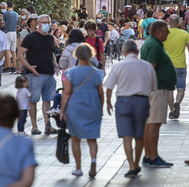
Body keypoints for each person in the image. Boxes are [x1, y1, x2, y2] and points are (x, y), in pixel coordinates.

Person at [105, 40, 157, 178]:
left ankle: (131, 166)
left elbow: (109, 86)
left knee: (126, 136)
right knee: (139, 135)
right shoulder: (147, 66)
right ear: (137, 51)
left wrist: (108, 102)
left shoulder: (118, 66)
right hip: (142, 101)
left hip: (123, 101)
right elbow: (153, 87)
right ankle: (136, 163)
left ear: (123, 51)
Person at [60, 43, 104, 177]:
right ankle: (94, 160)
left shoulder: (70, 73)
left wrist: (62, 111)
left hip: (76, 107)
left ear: (76, 55)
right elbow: (100, 93)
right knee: (92, 138)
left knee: (75, 138)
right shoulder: (97, 73)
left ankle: (78, 168)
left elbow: (66, 93)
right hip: (93, 106)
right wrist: (101, 107)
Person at [141, 20, 177, 167]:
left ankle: (149, 155)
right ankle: (153, 156)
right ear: (158, 32)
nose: (168, 33)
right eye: (166, 31)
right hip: (157, 89)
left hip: (156, 88)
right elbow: (150, 68)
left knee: (151, 123)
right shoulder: (154, 46)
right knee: (153, 124)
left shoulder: (152, 44)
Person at [18, 14, 58, 135]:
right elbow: (20, 53)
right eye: (43, 22)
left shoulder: (50, 38)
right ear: (38, 24)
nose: (46, 25)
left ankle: (47, 125)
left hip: (49, 74)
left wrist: (55, 64)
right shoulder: (31, 37)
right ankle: (34, 126)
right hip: (35, 75)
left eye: (48, 22)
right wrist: (29, 67)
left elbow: (51, 53)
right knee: (33, 100)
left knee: (48, 100)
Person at [163, 15, 189, 119]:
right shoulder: (184, 34)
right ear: (178, 23)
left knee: (170, 90)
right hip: (181, 65)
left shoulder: (164, 34)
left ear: (169, 22)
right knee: (181, 89)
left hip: (168, 66)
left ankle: (172, 110)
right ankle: (177, 103)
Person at [3, 1, 19, 74]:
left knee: (7, 50)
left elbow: (3, 23)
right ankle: (14, 67)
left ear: (7, 6)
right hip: (14, 32)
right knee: (13, 50)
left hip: (7, 32)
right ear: (13, 6)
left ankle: (8, 66)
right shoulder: (16, 14)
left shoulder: (5, 14)